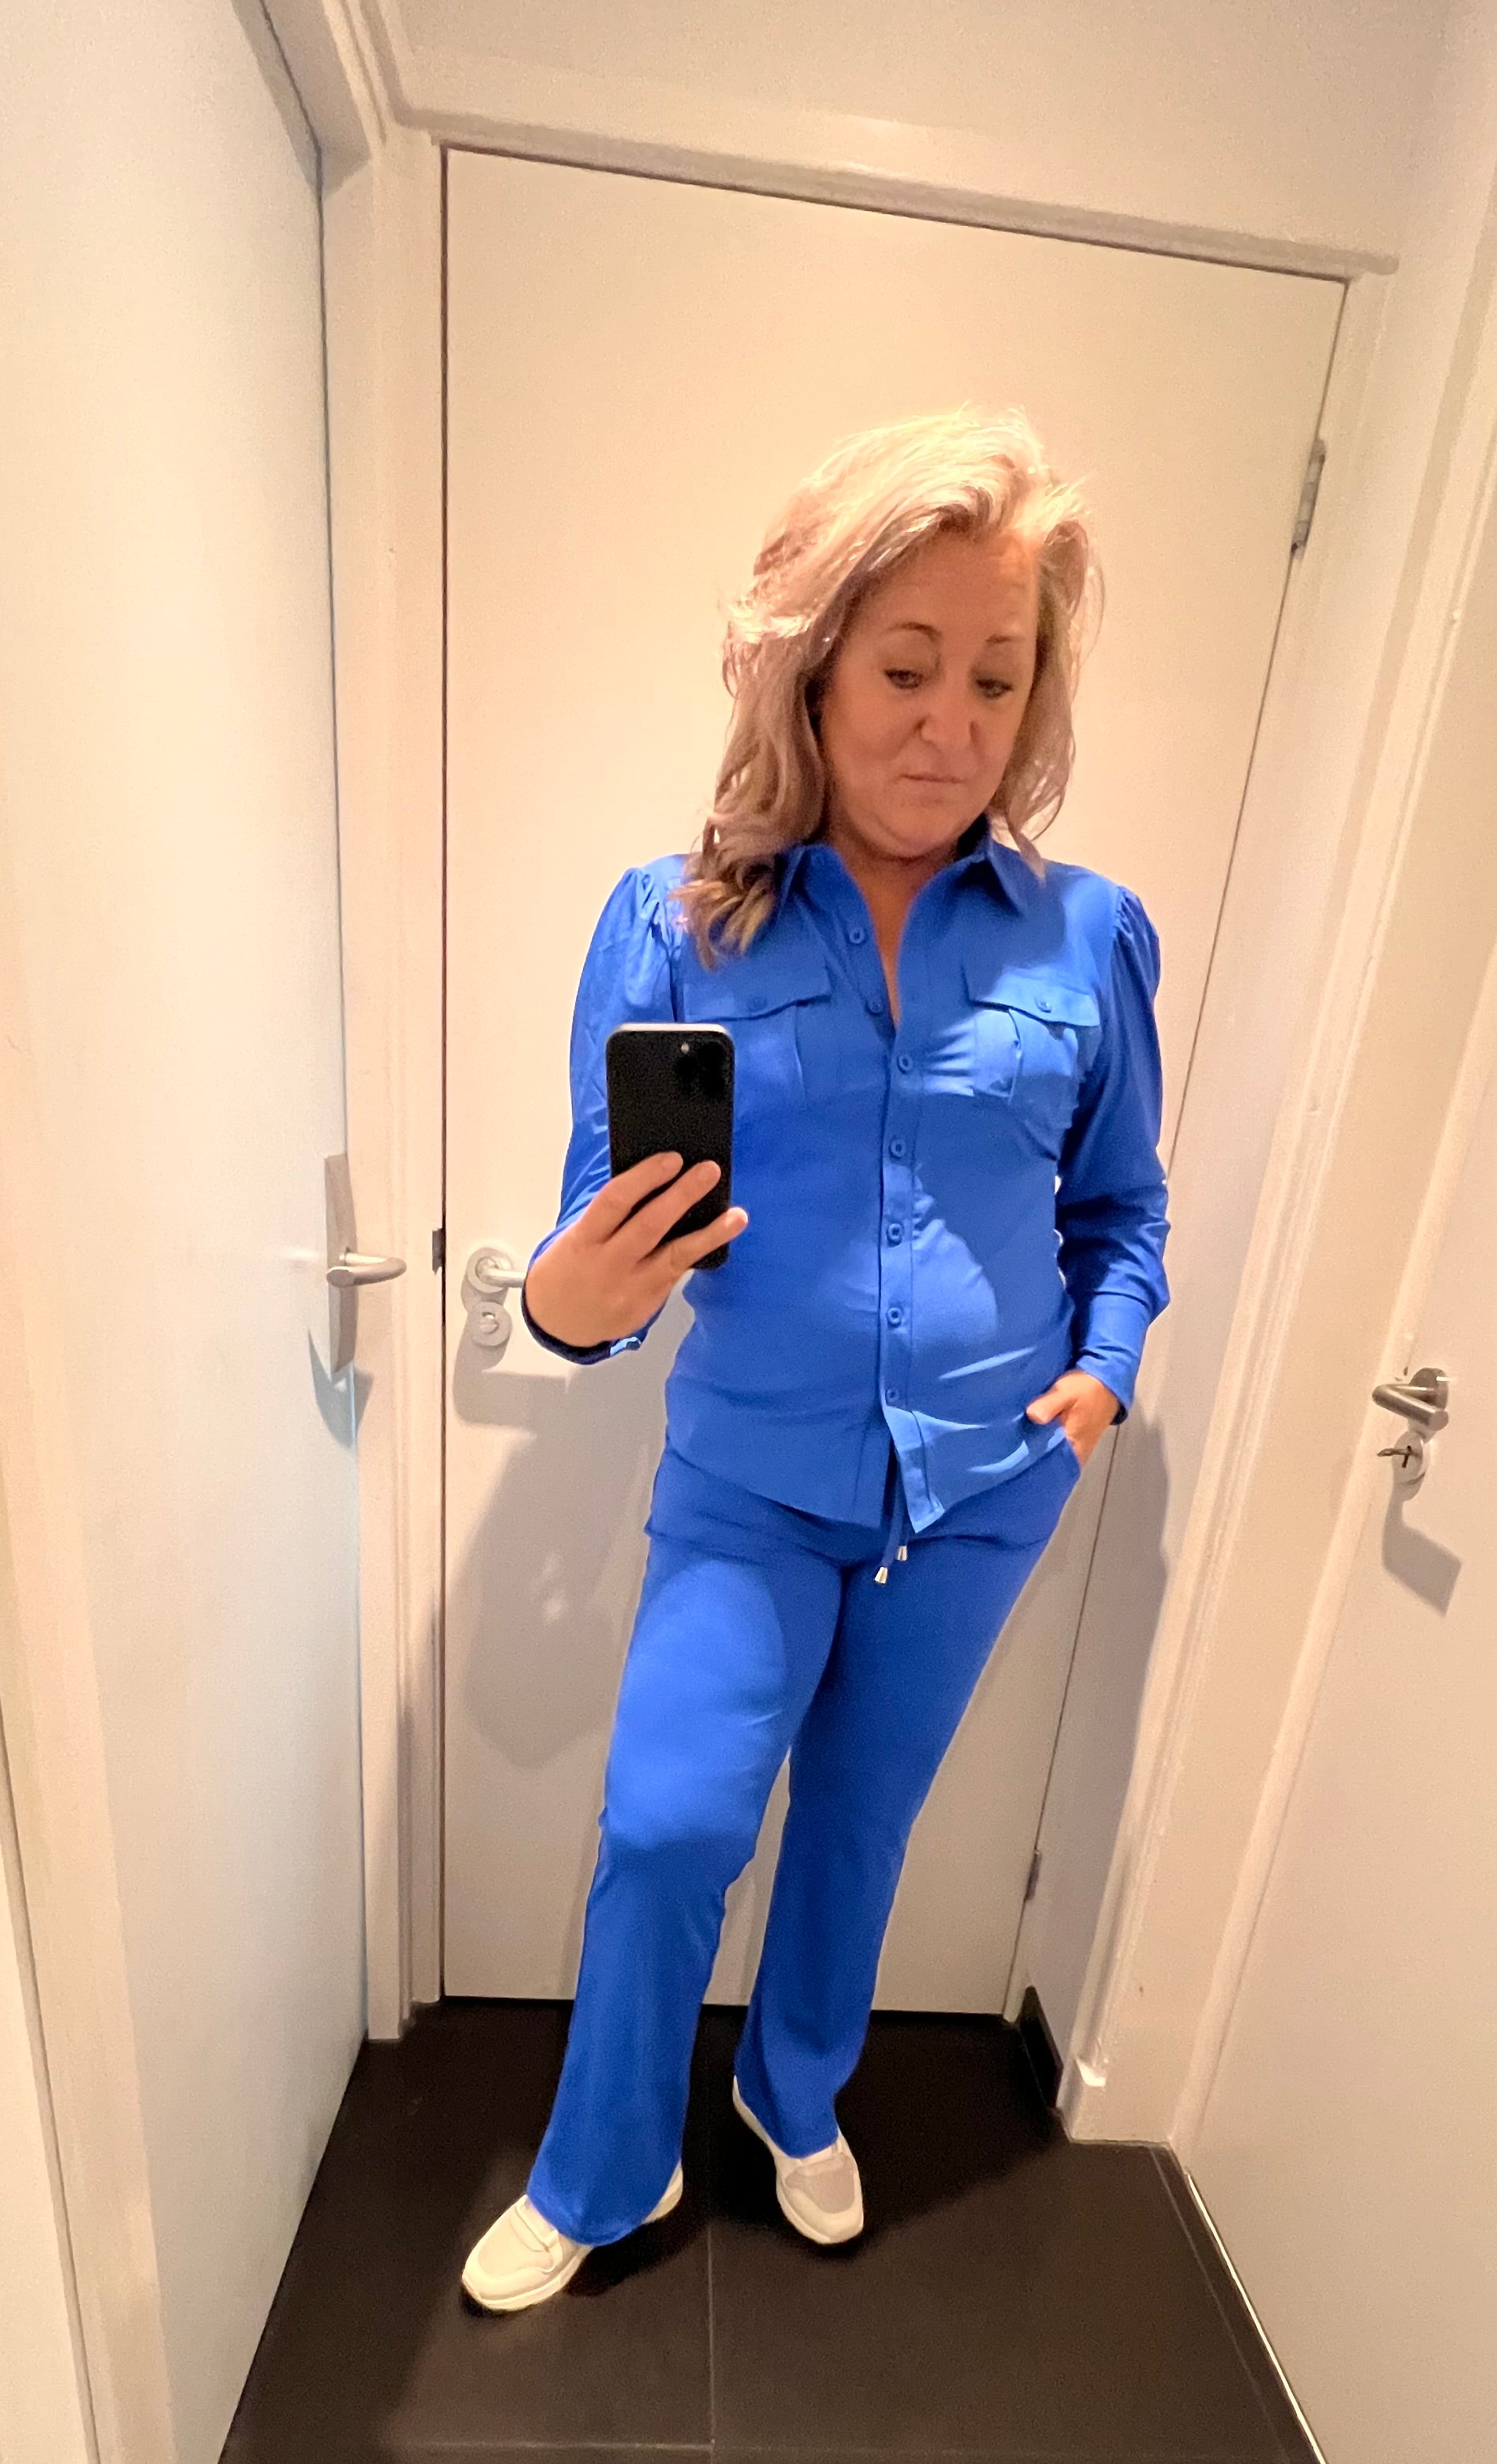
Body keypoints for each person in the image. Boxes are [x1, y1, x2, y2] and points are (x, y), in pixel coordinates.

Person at [462, 405, 1169, 2312]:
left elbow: (1124, 1209)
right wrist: (570, 1294)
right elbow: (592, 1276)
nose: (952, 725)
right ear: (815, 667)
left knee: (861, 1827)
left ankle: (791, 2093)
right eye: (907, 668)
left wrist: (1101, 1373)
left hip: (988, 1485)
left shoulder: (1089, 939)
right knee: (669, 1825)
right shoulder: (675, 921)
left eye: (996, 678)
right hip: (749, 1480)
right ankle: (607, 2164)